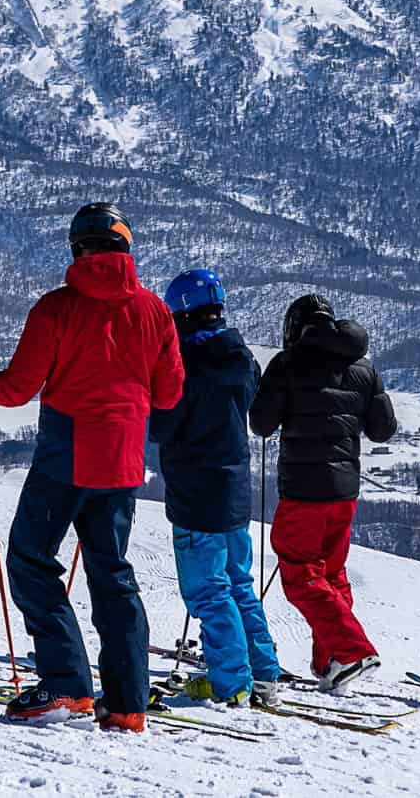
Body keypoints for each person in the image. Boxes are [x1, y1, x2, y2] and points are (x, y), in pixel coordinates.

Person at [0, 202, 184, 733]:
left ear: (77, 250)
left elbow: (15, 390)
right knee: (112, 573)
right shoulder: (155, 312)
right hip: (123, 460)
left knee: (31, 558)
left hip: (67, 452)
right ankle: (127, 704)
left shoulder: (56, 309)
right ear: (126, 249)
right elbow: (169, 394)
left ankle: (67, 686)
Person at [249, 294, 397, 692]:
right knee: (331, 574)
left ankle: (352, 651)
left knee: (299, 574)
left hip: (303, 490)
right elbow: (383, 430)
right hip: (345, 490)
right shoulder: (363, 369)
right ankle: (331, 662)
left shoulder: (287, 365)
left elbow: (261, 424)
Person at [149, 268, 282, 707]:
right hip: (234, 487)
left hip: (195, 492)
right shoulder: (242, 358)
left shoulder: (184, 365)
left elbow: (161, 426)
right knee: (238, 582)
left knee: (208, 589)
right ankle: (263, 673)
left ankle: (230, 683)